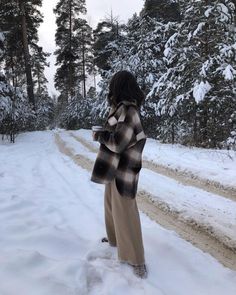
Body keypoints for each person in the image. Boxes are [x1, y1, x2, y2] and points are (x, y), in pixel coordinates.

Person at [91, 70, 147, 279]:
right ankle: (115, 240)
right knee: (111, 205)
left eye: (113, 85)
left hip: (124, 168)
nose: (110, 89)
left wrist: (100, 135)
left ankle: (136, 260)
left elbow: (118, 142)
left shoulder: (129, 111)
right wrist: (104, 133)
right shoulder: (120, 109)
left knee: (126, 211)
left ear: (119, 87)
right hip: (114, 166)